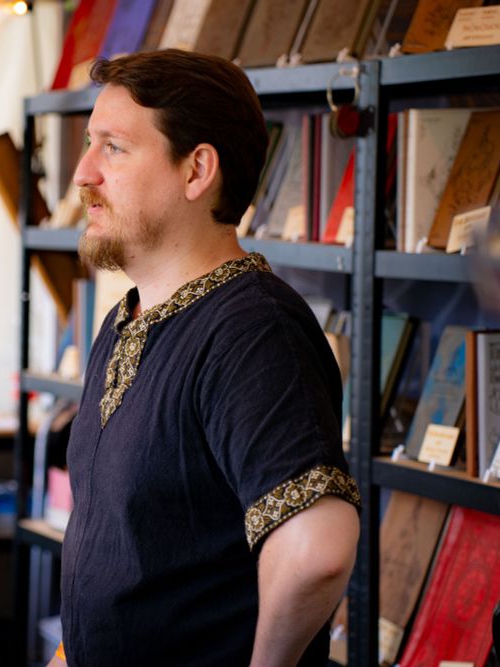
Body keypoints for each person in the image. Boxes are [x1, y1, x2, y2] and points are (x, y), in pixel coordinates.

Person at [53, 50, 361, 666]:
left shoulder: (252, 330)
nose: (83, 173)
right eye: (90, 144)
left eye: (112, 147)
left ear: (196, 171)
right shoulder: (122, 322)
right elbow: (119, 558)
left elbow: (317, 548)